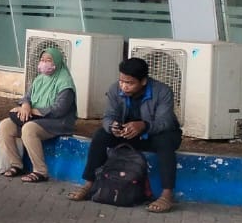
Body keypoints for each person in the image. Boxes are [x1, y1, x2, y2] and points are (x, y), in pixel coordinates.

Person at [68, 56, 182, 213]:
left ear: (143, 81)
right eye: (122, 81)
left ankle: (167, 195)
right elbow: (108, 116)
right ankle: (89, 184)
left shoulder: (162, 92)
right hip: (128, 134)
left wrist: (144, 126)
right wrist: (112, 126)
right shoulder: (115, 89)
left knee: (166, 143)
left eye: (129, 83)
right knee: (101, 136)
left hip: (155, 134)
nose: (124, 86)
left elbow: (165, 122)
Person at [0, 44, 76, 182]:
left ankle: (40, 171)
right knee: (5, 125)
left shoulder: (65, 83)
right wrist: (25, 106)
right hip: (36, 118)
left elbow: (60, 109)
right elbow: (27, 97)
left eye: (49, 60)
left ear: (57, 62)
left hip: (58, 122)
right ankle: (16, 164)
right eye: (42, 59)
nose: (44, 63)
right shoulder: (39, 79)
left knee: (29, 129)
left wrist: (34, 111)